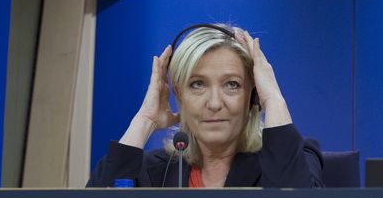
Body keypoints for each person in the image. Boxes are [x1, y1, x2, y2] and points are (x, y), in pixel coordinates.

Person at [87, 24, 324, 188]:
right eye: (197, 84)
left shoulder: (293, 160)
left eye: (232, 84)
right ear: (179, 94)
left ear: (252, 95)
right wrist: (145, 120)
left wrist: (273, 100)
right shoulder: (151, 172)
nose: (214, 103)